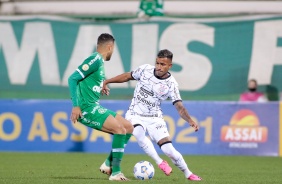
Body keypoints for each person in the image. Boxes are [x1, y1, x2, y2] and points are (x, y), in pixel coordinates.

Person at [100, 49, 202, 181]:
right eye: (157, 63)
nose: (159, 67)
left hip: (155, 118)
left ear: (170, 65)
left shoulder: (171, 84)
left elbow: (179, 106)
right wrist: (107, 81)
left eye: (163, 64)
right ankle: (159, 162)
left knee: (169, 150)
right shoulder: (145, 70)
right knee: (137, 132)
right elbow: (127, 76)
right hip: (135, 113)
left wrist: (190, 120)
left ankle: (189, 174)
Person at [68, 33, 133, 181]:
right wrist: (75, 106)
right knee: (119, 129)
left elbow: (90, 80)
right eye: (113, 48)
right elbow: (72, 79)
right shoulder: (95, 59)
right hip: (86, 108)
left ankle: (108, 163)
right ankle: (115, 172)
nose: (113, 51)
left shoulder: (100, 63)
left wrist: (100, 86)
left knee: (128, 127)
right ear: (109, 47)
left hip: (94, 105)